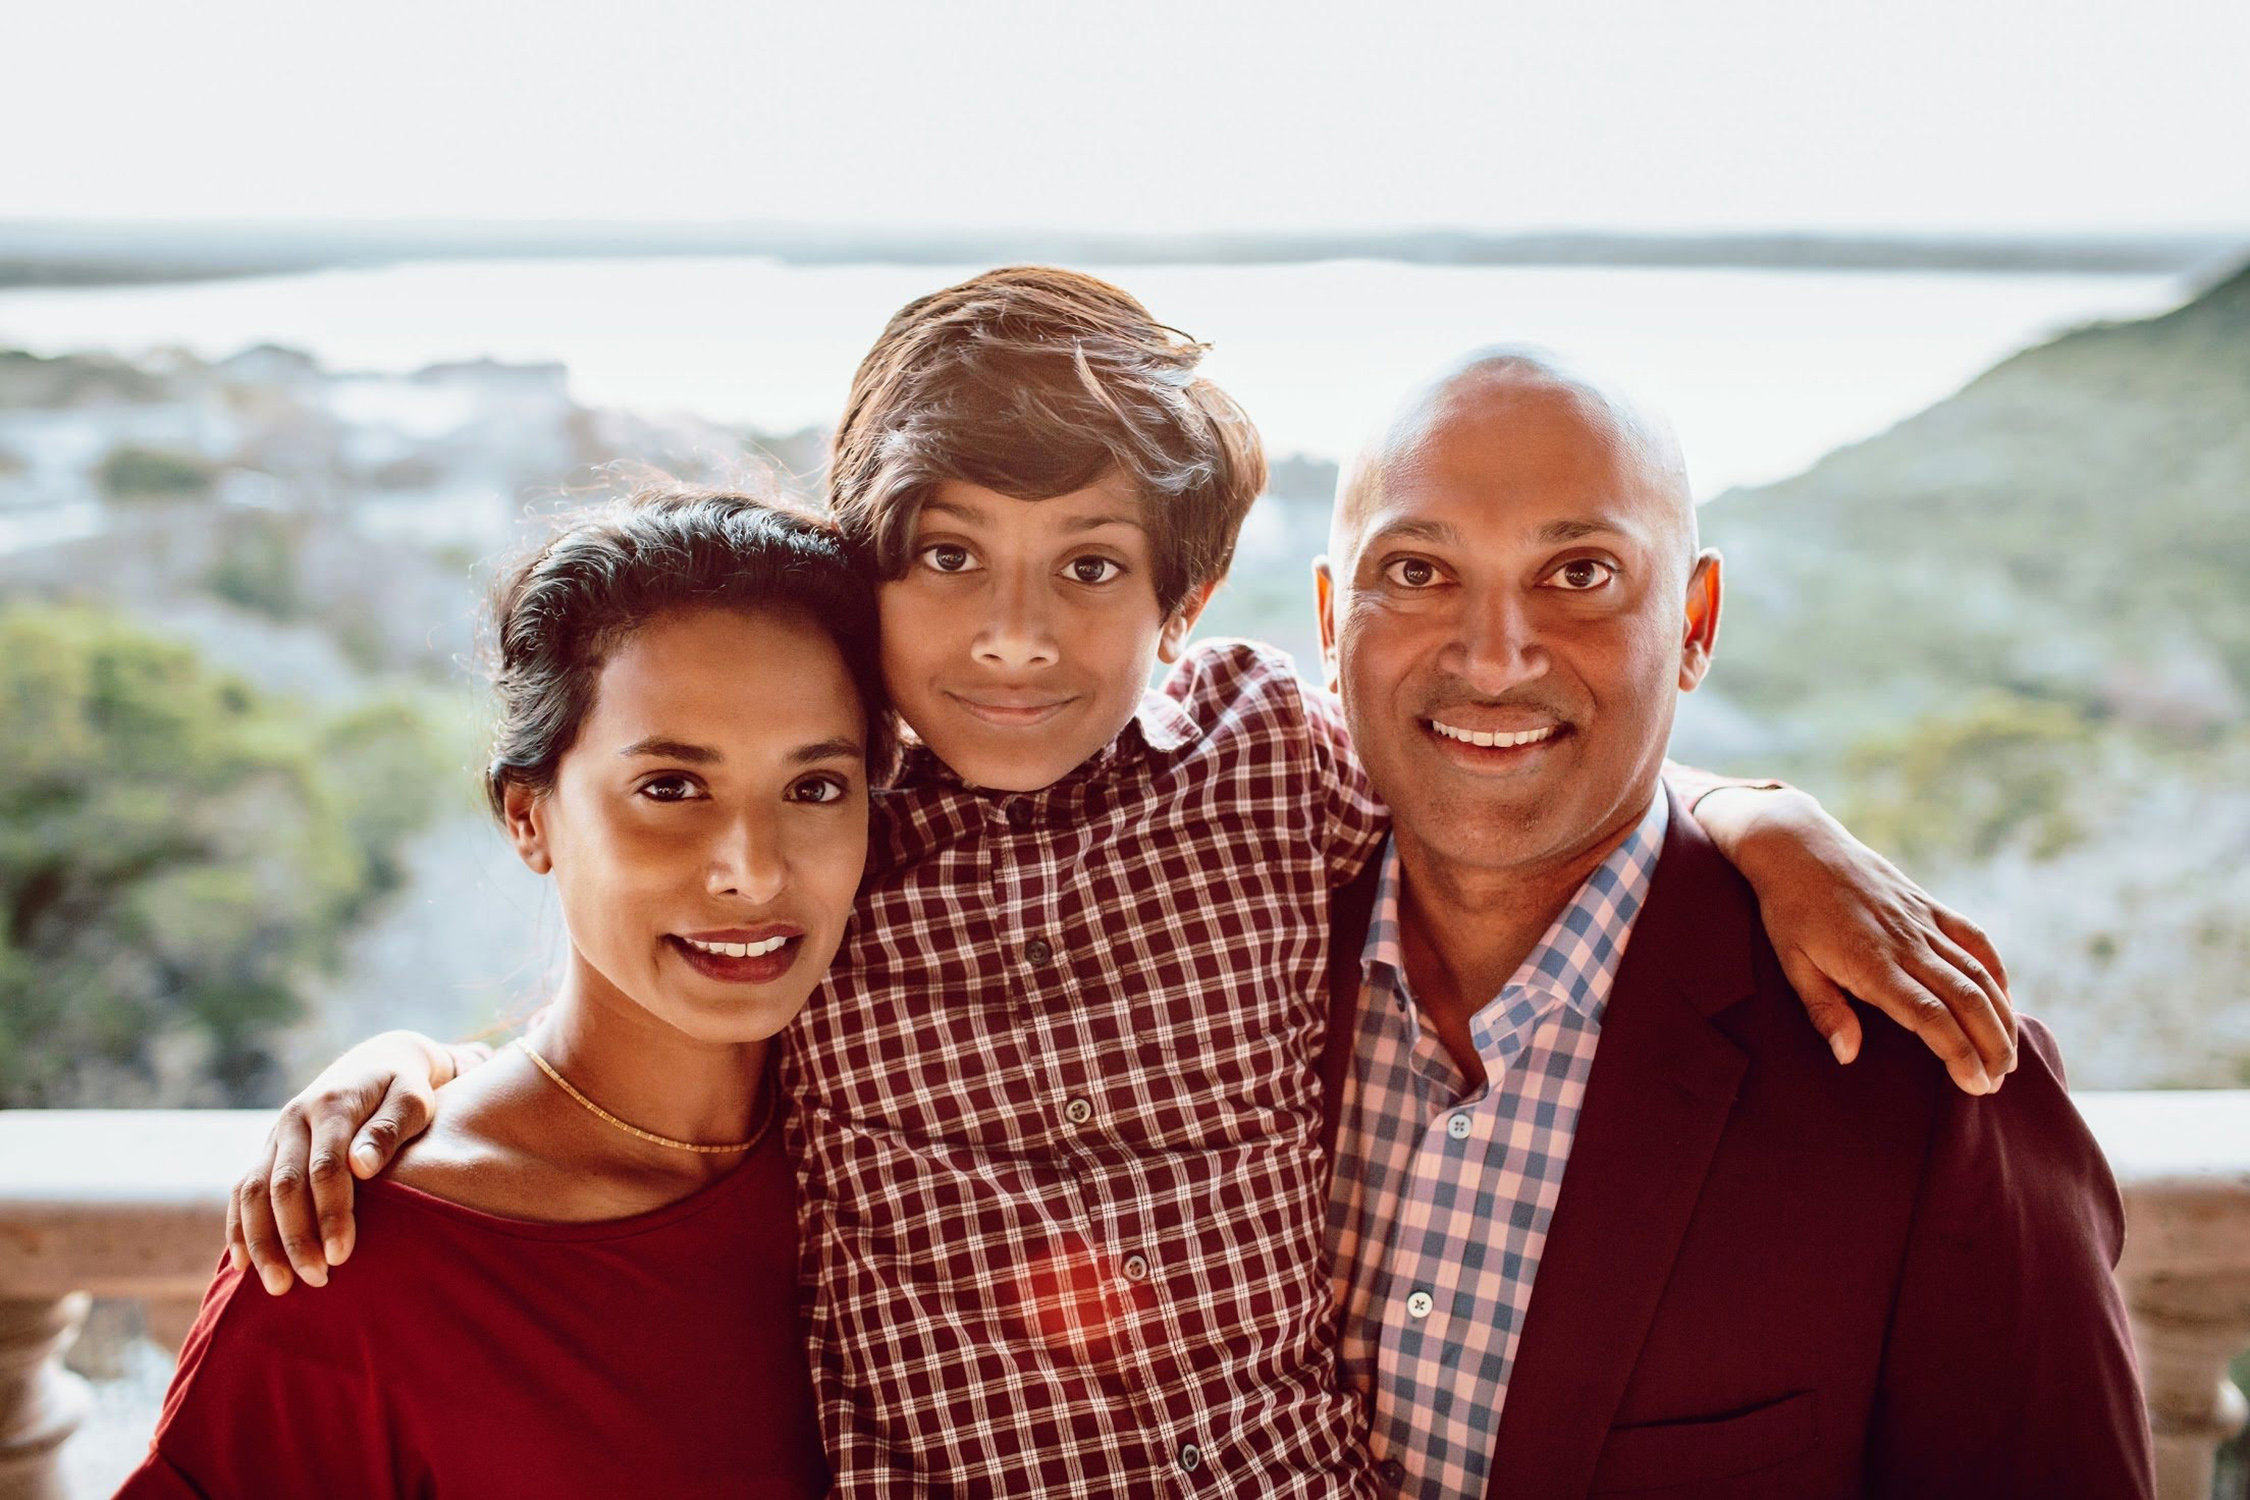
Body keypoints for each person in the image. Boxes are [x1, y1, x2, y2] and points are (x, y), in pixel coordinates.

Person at [228, 270, 2019, 1496]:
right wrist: (411, 1070)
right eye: (949, 560)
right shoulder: (838, 823)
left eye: (1090, 567)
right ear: (871, 579)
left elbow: (1502, 752)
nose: (1015, 632)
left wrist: (1762, 818)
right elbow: (663, 968)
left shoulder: (1271, 755)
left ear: (1182, 608)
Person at [1315, 349, 2154, 1499]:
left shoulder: (1924, 1085)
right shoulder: (1214, 941)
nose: (1492, 656)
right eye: (1415, 571)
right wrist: (1752, 806)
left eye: (1580, 573)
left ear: (1695, 621)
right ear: (1329, 618)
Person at [118, 490, 886, 1497]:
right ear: (530, 815)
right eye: (670, 787)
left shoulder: (910, 1158)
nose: (752, 870)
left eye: (815, 786)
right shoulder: (348, 1271)